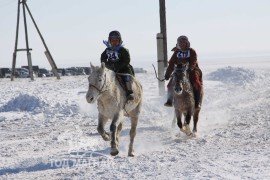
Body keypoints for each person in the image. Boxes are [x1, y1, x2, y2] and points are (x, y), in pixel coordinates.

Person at [164, 35, 203, 109]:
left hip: (190, 70)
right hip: (179, 71)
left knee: (196, 83)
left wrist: (190, 68)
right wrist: (167, 74)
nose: (182, 44)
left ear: (187, 43)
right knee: (170, 85)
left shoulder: (191, 51)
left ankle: (197, 103)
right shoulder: (177, 52)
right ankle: (169, 101)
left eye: (183, 42)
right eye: (180, 42)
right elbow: (172, 63)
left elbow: (194, 61)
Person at [101, 30, 135, 100]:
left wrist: (118, 66)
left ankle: (129, 92)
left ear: (119, 40)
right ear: (109, 41)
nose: (114, 42)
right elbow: (103, 58)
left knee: (126, 78)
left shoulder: (123, 50)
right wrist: (107, 65)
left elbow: (127, 60)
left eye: (116, 40)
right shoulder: (107, 50)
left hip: (123, 69)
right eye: (112, 41)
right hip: (110, 69)